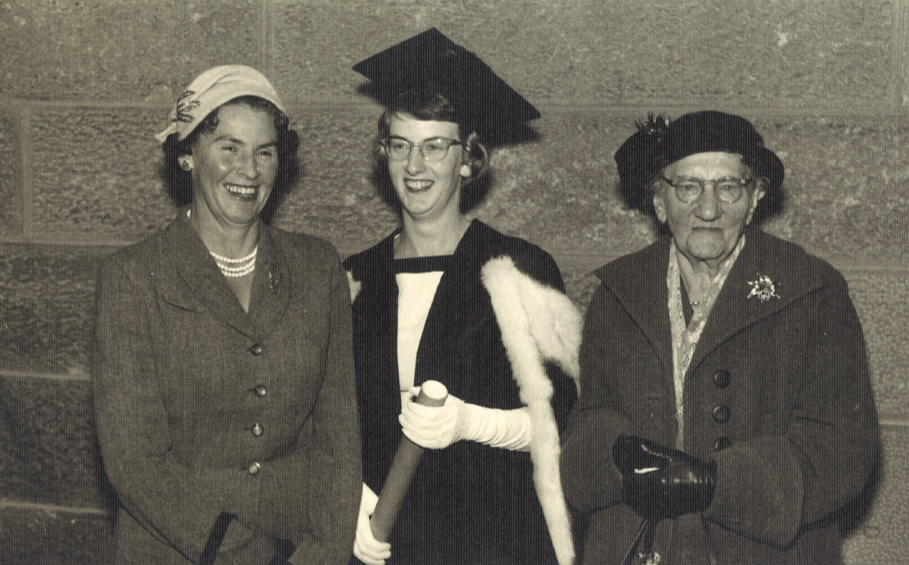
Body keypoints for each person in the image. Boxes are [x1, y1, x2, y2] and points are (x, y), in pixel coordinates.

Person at [560, 110, 880, 565]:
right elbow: (584, 426)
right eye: (688, 187)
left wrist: (717, 484)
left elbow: (844, 449)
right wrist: (615, 456)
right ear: (658, 200)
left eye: (728, 187)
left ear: (755, 199)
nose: (708, 209)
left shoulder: (811, 290)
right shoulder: (618, 292)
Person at [92, 65, 360, 565]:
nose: (249, 170)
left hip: (300, 547)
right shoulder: (131, 277)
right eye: (229, 147)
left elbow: (337, 434)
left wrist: (327, 548)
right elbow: (134, 461)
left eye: (265, 151)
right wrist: (245, 552)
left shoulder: (317, 265)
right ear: (188, 154)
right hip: (180, 549)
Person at [345, 29, 581, 565]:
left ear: (470, 159)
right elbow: (337, 422)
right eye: (400, 145)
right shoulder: (356, 278)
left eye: (434, 147)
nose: (414, 167)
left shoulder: (518, 269)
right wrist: (353, 501)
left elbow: (562, 422)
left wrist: (472, 422)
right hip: (387, 542)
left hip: (494, 536)